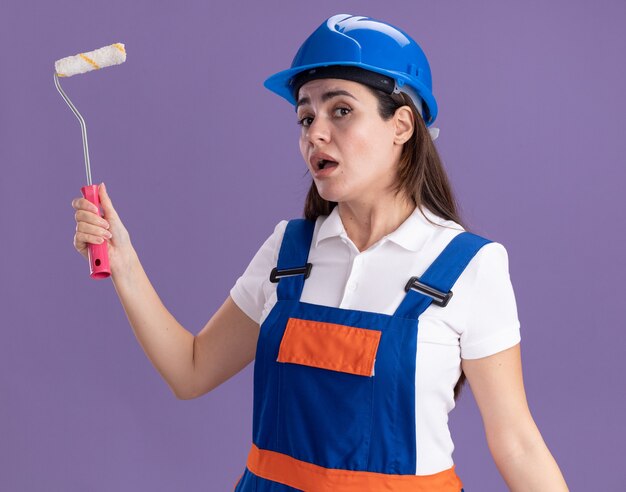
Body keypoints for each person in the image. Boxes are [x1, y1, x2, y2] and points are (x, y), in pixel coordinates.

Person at [71, 14, 568, 492]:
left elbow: (517, 444)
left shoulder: (469, 267)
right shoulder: (286, 253)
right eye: (305, 116)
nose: (315, 133)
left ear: (402, 126)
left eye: (341, 110)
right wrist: (123, 262)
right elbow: (192, 371)